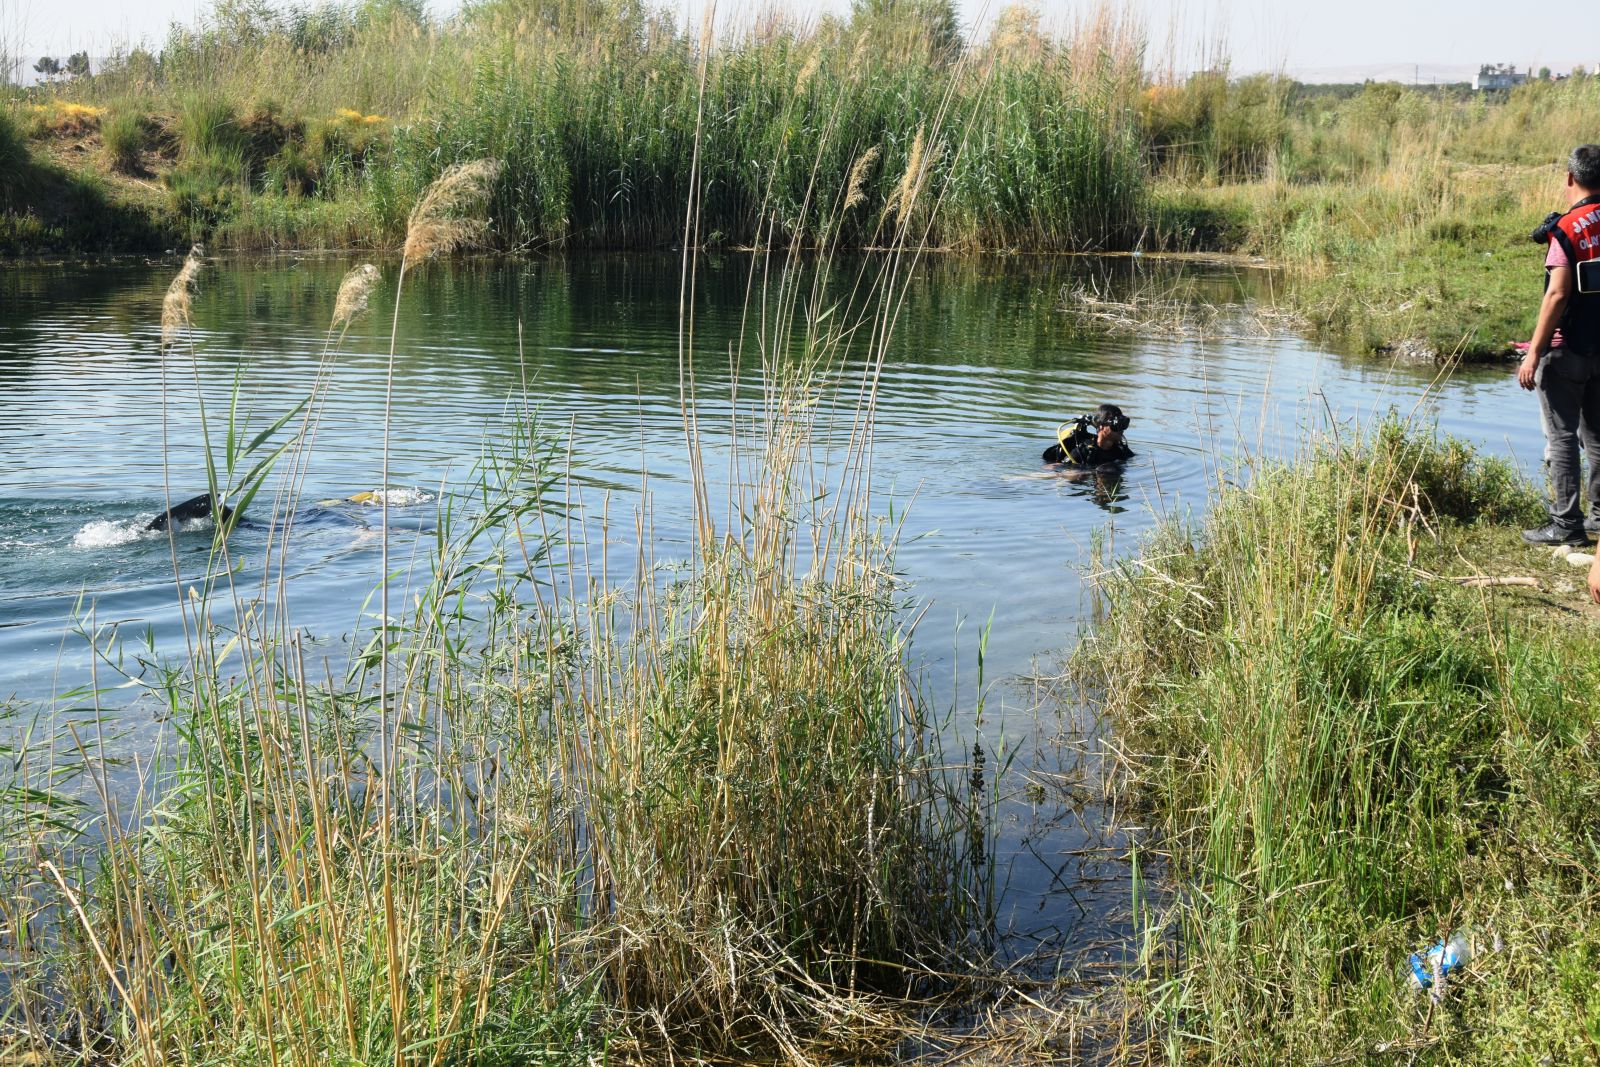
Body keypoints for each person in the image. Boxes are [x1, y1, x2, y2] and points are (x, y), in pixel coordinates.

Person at [1519, 144, 1600, 546]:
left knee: (1563, 436)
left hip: (1567, 348)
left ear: (1570, 178)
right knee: (1599, 436)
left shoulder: (1567, 229)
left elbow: (1557, 294)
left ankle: (1566, 525)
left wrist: (1533, 352)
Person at [1043, 403, 1134, 467]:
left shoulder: (1121, 451)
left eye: (1123, 425)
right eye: (1116, 425)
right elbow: (1055, 467)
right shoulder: (1084, 451)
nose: (1121, 430)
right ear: (1102, 427)